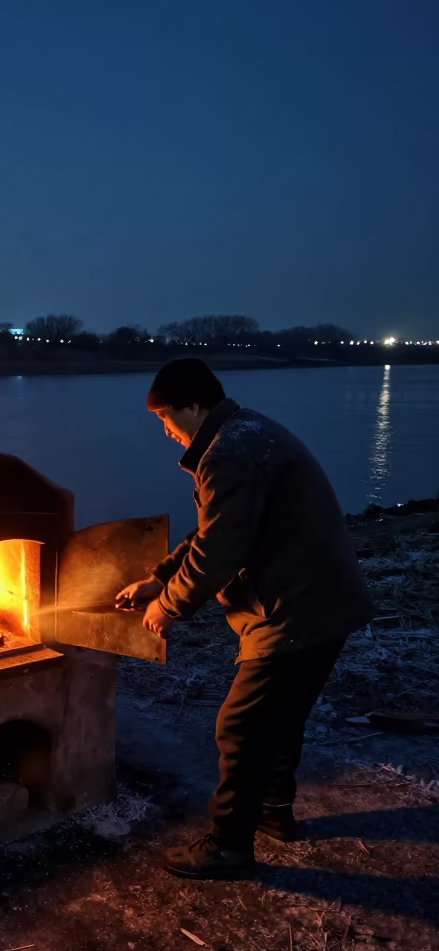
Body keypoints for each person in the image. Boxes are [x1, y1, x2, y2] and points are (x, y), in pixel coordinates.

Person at [116, 358, 372, 879]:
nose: (165, 429)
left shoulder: (229, 451)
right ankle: (273, 813)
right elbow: (219, 529)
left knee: (242, 726)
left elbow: (219, 548)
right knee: (280, 717)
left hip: (296, 609)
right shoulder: (243, 434)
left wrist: (169, 606)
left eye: (165, 417)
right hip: (322, 602)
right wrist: (160, 578)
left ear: (193, 406)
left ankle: (228, 846)